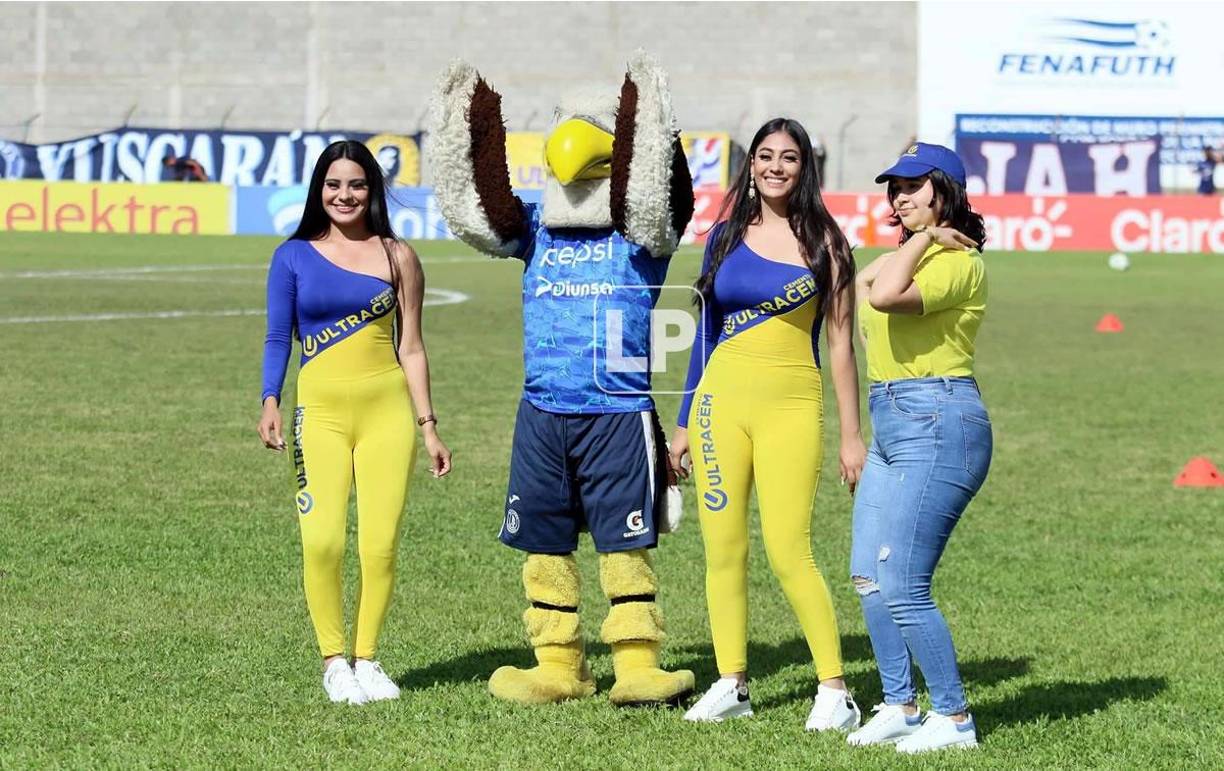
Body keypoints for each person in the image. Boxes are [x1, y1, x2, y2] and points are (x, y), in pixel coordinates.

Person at [669, 117, 866, 732]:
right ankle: (731, 683)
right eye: (764, 155)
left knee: (789, 550)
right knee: (723, 548)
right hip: (718, 407)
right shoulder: (724, 236)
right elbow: (704, 335)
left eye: (789, 157)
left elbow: (841, 347)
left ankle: (835, 691)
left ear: (805, 168)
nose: (775, 166)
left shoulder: (828, 245)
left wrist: (852, 436)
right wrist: (683, 422)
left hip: (791, 408)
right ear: (749, 164)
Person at [257, 140, 452, 705]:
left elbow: (411, 347)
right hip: (318, 414)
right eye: (334, 184)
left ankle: (367, 659)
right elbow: (278, 336)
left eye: (357, 184)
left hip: (387, 414)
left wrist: (428, 425)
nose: (345, 195)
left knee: (380, 544)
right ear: (319, 190)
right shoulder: (292, 256)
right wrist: (270, 398)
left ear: (372, 190)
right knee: (321, 542)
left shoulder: (399, 257)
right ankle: (334, 662)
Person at [846, 142, 990, 753]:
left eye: (913, 186)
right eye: (895, 187)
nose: (899, 197)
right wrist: (917, 242)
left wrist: (929, 239)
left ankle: (954, 719)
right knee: (867, 575)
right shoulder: (909, 255)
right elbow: (860, 286)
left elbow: (881, 297)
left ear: (945, 192)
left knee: (903, 581)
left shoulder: (960, 262)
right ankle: (901, 705)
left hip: (938, 418)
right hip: (892, 419)